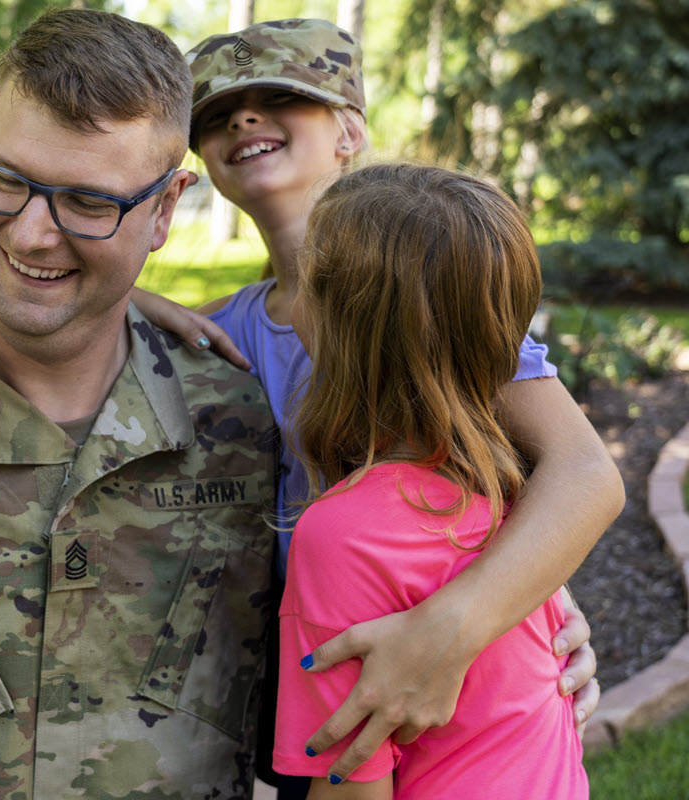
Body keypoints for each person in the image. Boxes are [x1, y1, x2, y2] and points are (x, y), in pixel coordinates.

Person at [132, 17, 620, 793]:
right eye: (217, 117)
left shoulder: (436, 296)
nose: (244, 121)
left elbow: (587, 473)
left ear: (350, 130)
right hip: (301, 664)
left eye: (278, 98)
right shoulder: (219, 331)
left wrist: (460, 630)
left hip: (421, 673)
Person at [0, 8, 278, 800]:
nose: (33, 235)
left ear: (165, 210)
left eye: (89, 203)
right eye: (5, 178)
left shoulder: (244, 420)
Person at [272, 162, 590, 798]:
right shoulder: (522, 496)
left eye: (306, 281)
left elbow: (351, 783)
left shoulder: (342, 537)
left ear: (341, 330)